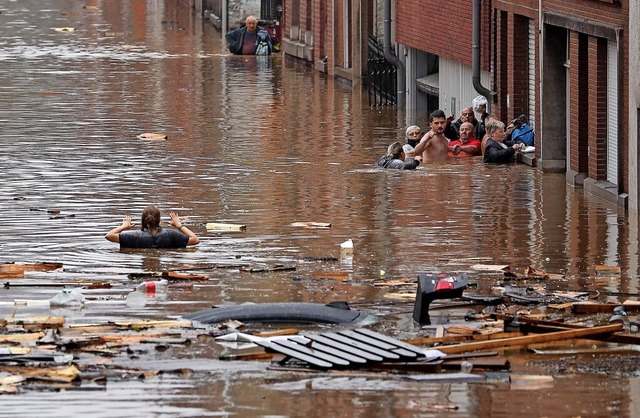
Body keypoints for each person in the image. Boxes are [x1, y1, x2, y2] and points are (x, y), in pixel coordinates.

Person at [106, 206, 199, 248]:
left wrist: (123, 226)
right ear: (159, 220)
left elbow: (109, 235)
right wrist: (179, 225)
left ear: (143, 221)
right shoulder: (172, 235)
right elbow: (195, 240)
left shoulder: (133, 236)